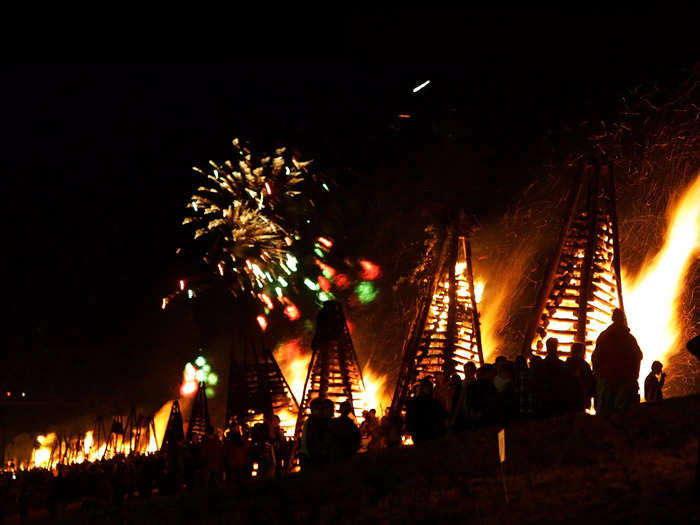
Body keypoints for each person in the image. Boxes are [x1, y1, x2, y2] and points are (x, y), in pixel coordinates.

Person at [591, 308, 643, 416]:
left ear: (613, 318)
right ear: (623, 319)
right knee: (622, 415)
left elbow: (596, 357)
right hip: (624, 381)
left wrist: (598, 375)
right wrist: (633, 377)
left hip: (606, 381)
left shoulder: (604, 336)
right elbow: (638, 356)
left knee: (604, 414)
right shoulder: (629, 338)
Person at [405, 377, 448, 444]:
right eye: (426, 387)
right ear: (422, 388)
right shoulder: (415, 402)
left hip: (431, 434)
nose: (428, 389)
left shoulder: (434, 402)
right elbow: (410, 417)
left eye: (429, 387)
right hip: (420, 434)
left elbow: (442, 415)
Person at [536, 338, 571, 417]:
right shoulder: (562, 365)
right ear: (556, 347)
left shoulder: (540, 364)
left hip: (543, 400)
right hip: (558, 400)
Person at [566, 342, 594, 412]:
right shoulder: (585, 366)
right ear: (582, 352)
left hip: (567, 398)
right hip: (581, 398)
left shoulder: (565, 364)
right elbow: (590, 383)